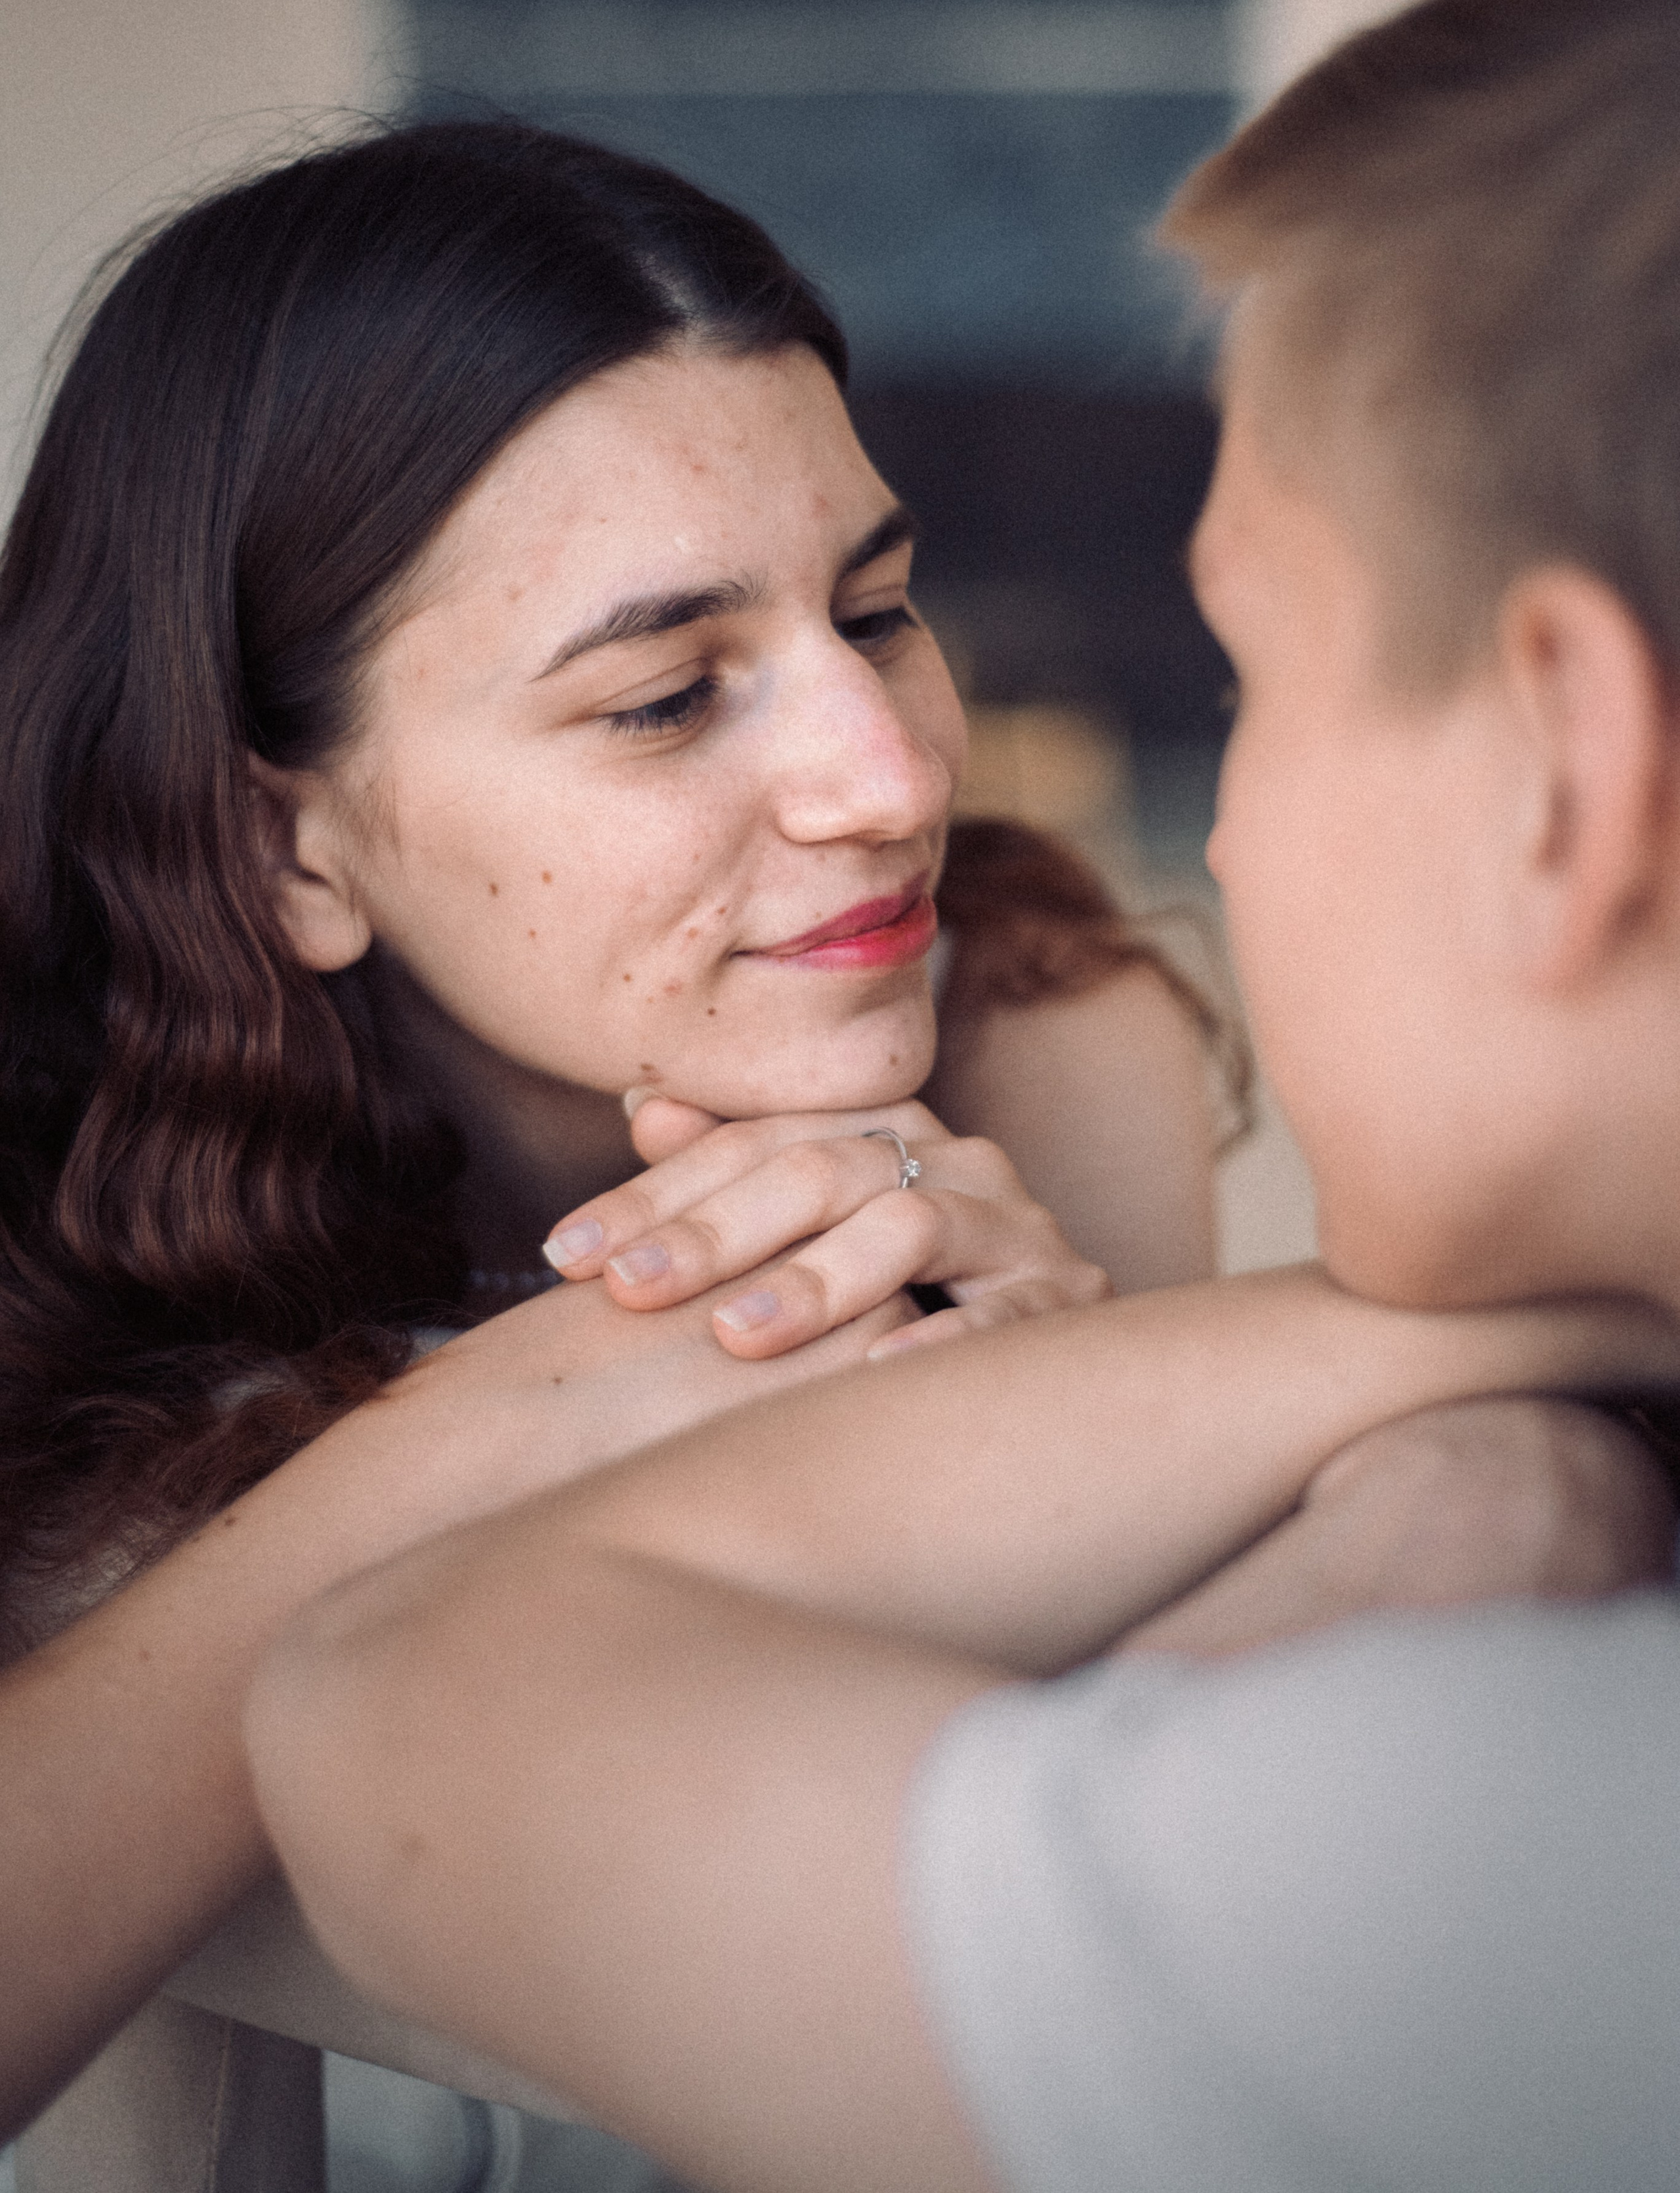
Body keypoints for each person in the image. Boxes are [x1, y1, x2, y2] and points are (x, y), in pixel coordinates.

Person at [0, 109, 1668, 2158]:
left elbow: (1092, 1885)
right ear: (290, 849)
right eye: (665, 696)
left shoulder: (1040, 1011)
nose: (887, 783)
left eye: (875, 613)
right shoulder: (42, 1201)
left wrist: (1060, 1412)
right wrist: (563, 1397)